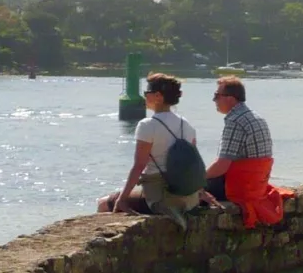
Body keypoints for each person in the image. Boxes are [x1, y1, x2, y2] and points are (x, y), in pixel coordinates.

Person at [98, 73, 210, 228]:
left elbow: (139, 165)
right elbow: (193, 165)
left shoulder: (148, 125)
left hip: (161, 197)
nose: (145, 97)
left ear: (158, 96)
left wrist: (122, 199)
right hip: (188, 199)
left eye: (146, 93)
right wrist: (201, 192)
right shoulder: (187, 125)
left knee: (104, 203)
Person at [204, 76, 285, 226]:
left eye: (217, 96)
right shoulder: (256, 117)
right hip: (256, 186)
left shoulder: (235, 121)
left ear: (230, 99)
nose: (214, 100)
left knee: (188, 189)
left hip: (239, 188)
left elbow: (222, 164)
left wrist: (198, 179)